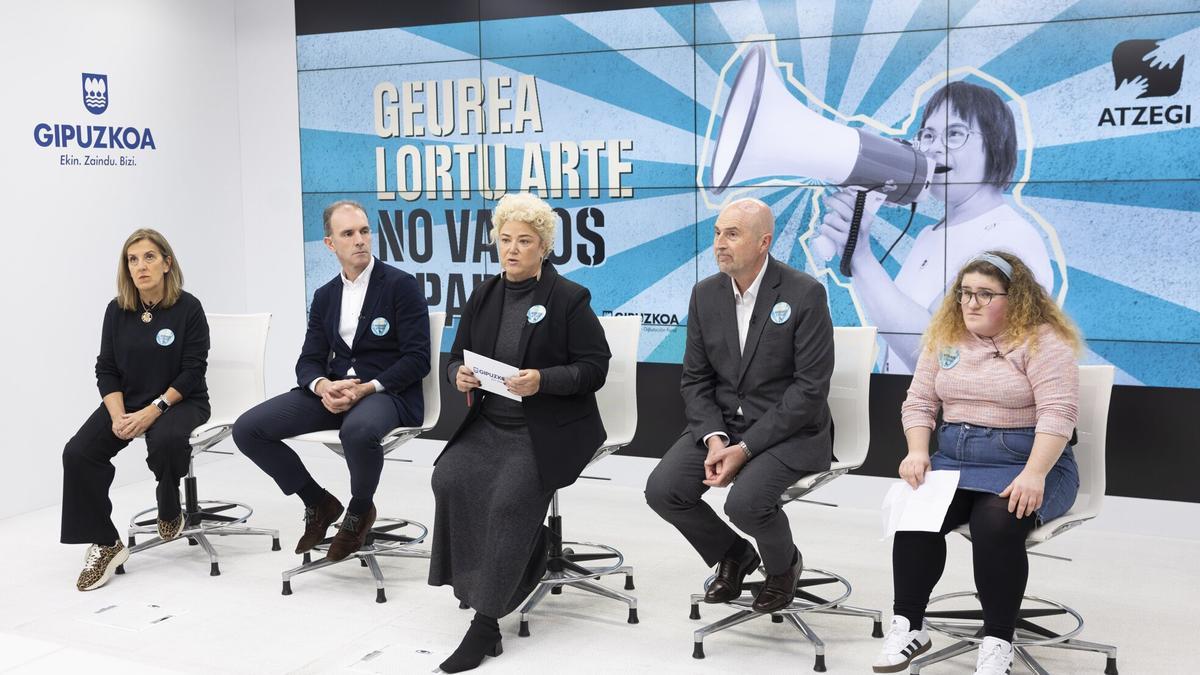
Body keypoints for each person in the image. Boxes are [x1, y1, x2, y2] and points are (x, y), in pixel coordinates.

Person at [872, 251, 1082, 675]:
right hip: (954, 459)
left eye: (985, 294)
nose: (970, 303)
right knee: (916, 515)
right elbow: (920, 402)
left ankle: (998, 641)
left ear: (1016, 298)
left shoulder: (1043, 342)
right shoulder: (946, 338)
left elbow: (1058, 414)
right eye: (965, 293)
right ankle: (910, 625)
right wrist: (916, 450)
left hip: (1028, 462)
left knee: (996, 523)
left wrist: (1034, 474)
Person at [428, 192, 610, 673]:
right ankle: (494, 573)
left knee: (509, 498)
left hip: (547, 429)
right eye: (505, 240)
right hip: (491, 422)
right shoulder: (484, 294)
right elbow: (455, 357)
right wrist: (457, 377)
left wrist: (542, 380)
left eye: (524, 241)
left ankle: (485, 626)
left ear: (544, 247)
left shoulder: (569, 298)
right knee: (449, 477)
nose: (512, 250)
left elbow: (595, 368)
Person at [645, 198, 835, 615]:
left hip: (791, 432)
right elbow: (696, 379)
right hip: (724, 426)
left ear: (764, 242)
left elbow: (809, 390)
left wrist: (745, 449)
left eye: (732, 234)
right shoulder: (705, 294)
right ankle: (734, 554)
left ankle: (784, 568)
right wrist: (715, 440)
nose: (719, 244)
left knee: (744, 503)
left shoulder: (805, 293)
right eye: (717, 233)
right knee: (664, 490)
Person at [232, 200, 429, 562]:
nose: (359, 240)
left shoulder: (401, 286)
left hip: (387, 393)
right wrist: (323, 386)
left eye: (365, 231)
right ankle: (317, 501)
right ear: (330, 244)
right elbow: (308, 360)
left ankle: (359, 511)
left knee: (356, 432)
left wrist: (367, 388)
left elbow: (418, 360)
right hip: (335, 391)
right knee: (247, 429)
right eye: (348, 234)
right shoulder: (325, 296)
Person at [820, 80, 1058, 374]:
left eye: (954, 134)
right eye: (928, 135)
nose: (934, 148)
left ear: (995, 145)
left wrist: (861, 258)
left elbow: (939, 356)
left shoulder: (1009, 240)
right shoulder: (929, 235)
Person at [62, 229, 210, 591]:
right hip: (125, 400)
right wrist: (116, 415)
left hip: (181, 399)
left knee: (167, 439)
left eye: (148, 257)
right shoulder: (117, 310)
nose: (140, 266)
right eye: (132, 260)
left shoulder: (188, 308)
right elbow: (106, 369)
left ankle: (168, 491)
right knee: (79, 453)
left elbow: (193, 370)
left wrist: (154, 409)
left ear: (166, 263)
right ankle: (106, 542)